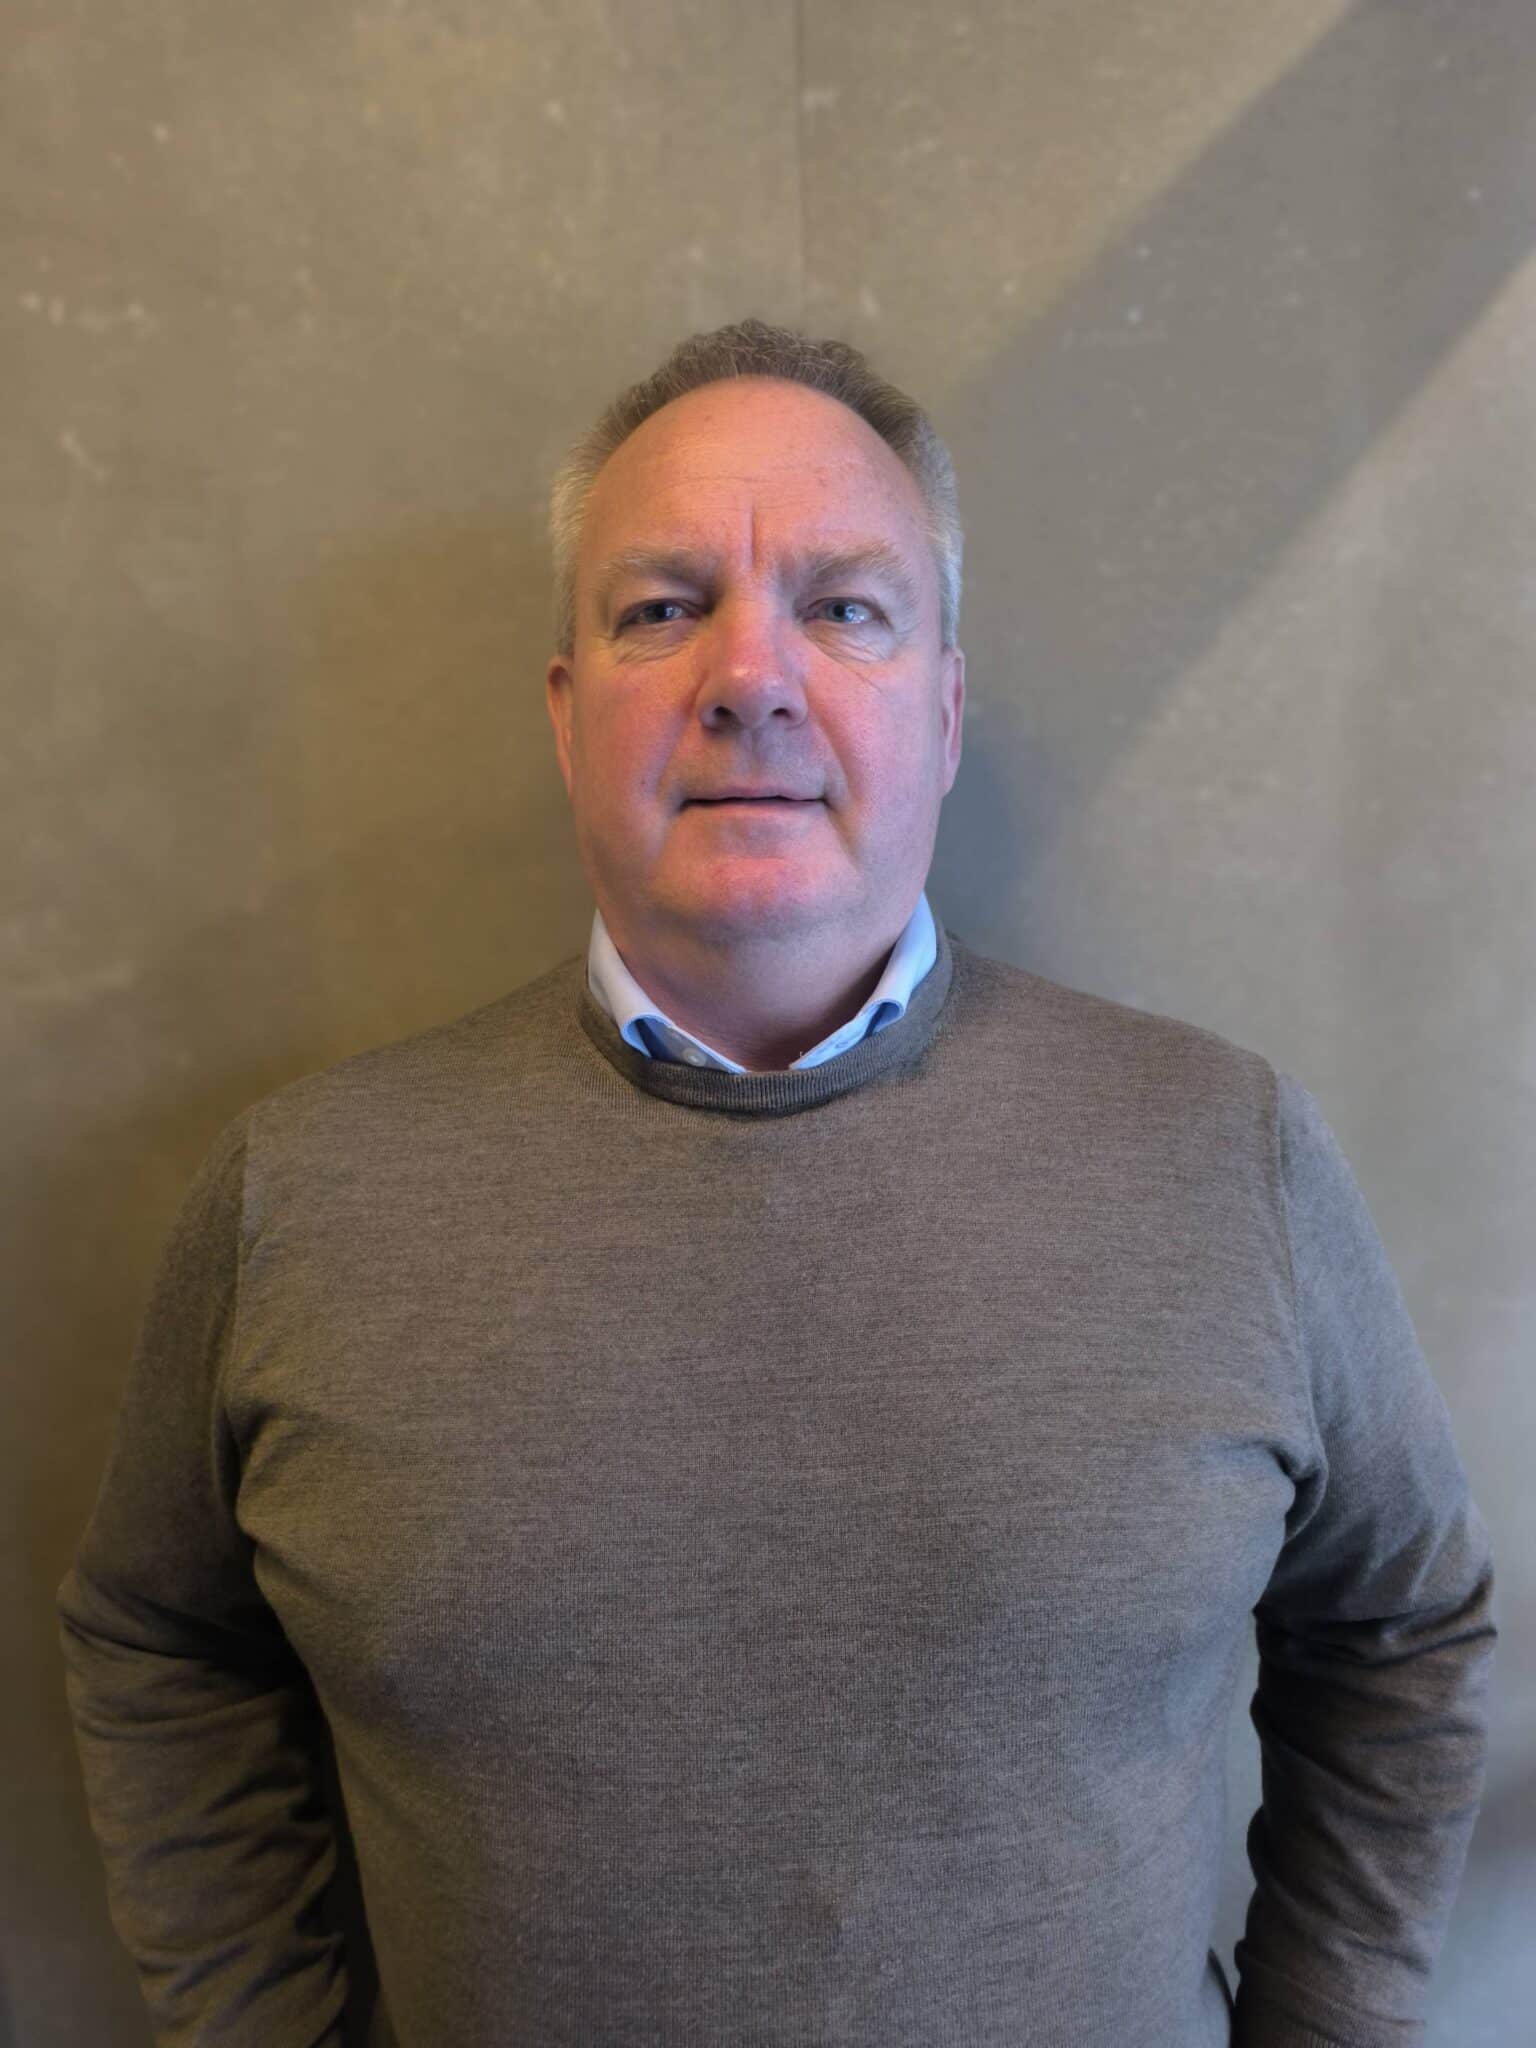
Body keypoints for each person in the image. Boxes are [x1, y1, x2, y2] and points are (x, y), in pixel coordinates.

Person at [58, 317, 1497, 2048]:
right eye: (664, 609)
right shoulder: (296, 1195)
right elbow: (157, 1639)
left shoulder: (1224, 1156)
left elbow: (1405, 1630)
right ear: (568, 716)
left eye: (845, 608)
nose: (751, 676)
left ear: (944, 709)